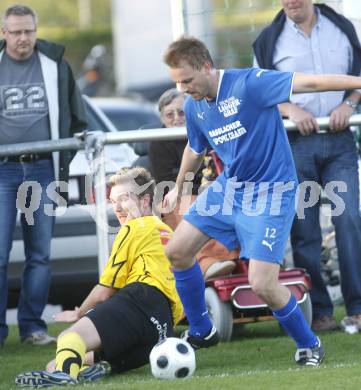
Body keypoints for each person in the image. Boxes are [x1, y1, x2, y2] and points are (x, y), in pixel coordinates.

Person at [162, 35, 361, 365]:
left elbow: (311, 82)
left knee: (262, 283)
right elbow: (195, 148)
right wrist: (179, 185)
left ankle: (309, 344)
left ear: (207, 66)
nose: (183, 89)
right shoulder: (193, 106)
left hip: (271, 193)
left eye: (187, 80)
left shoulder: (249, 83)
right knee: (177, 251)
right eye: (177, 83)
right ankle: (201, 330)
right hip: (230, 189)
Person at [15, 167, 183, 387]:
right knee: (58, 362)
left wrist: (79, 312)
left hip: (142, 299)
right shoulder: (172, 234)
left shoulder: (135, 227)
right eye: (114, 201)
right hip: (162, 331)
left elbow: (104, 291)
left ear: (145, 201)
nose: (118, 208)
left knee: (69, 338)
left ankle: (65, 377)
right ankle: (81, 370)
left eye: (124, 199)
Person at [253, 0, 361, 332]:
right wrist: (290, 110)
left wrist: (349, 102)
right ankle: (320, 311)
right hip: (295, 146)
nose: (290, 1)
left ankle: (357, 307)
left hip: (340, 142)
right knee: (305, 231)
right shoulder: (269, 39)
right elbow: (260, 88)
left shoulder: (342, 28)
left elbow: (358, 76)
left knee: (349, 221)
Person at [0, 5, 87, 347]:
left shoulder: (56, 65)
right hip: (3, 171)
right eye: (16, 32)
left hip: (42, 170)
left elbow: (78, 120)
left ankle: (32, 328)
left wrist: (62, 159)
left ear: (36, 31)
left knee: (40, 254)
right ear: (4, 33)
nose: (23, 38)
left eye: (28, 31)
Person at [149, 88, 238, 279]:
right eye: (169, 114)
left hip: (212, 188)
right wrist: (201, 185)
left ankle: (248, 259)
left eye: (181, 112)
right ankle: (208, 262)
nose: (176, 118)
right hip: (178, 195)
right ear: (162, 118)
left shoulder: (206, 130)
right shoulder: (158, 142)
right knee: (194, 206)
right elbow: (167, 182)